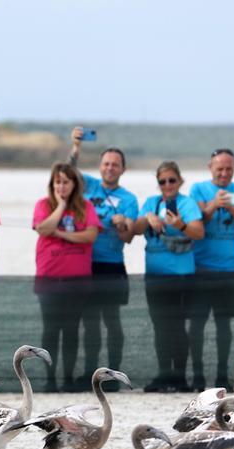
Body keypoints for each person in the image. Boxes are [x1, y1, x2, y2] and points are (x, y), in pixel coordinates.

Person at [68, 128, 138, 385]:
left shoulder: (128, 198)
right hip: (86, 263)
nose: (110, 168)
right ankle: (90, 372)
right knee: (90, 323)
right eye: (106, 164)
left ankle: (115, 373)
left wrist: (123, 224)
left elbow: (128, 238)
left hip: (112, 265)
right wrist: (75, 147)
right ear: (100, 167)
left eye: (115, 165)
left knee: (112, 321)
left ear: (123, 170)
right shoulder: (90, 186)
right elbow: (67, 173)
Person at [133, 161, 204, 392]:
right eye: (162, 181)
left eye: (172, 180)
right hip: (155, 276)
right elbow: (133, 229)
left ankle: (180, 377)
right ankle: (164, 375)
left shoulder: (187, 203)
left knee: (178, 326)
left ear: (180, 181)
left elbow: (199, 232)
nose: (167, 185)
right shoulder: (151, 203)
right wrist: (147, 220)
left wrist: (180, 224)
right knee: (160, 326)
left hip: (181, 276)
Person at [187, 149, 234, 389]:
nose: (224, 173)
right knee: (196, 324)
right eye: (220, 168)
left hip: (228, 269)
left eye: (229, 169)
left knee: (224, 325)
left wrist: (231, 205)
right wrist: (214, 204)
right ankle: (197, 375)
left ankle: (222, 373)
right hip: (200, 268)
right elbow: (195, 219)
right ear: (210, 168)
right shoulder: (198, 189)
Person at [32, 162, 101, 391]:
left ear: (74, 184)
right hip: (49, 279)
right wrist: (60, 206)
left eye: (66, 182)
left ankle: (68, 378)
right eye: (57, 182)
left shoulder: (85, 206)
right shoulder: (44, 204)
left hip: (77, 280)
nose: (61, 186)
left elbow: (90, 235)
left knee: (71, 329)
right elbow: (43, 228)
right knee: (51, 329)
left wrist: (60, 233)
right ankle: (50, 378)